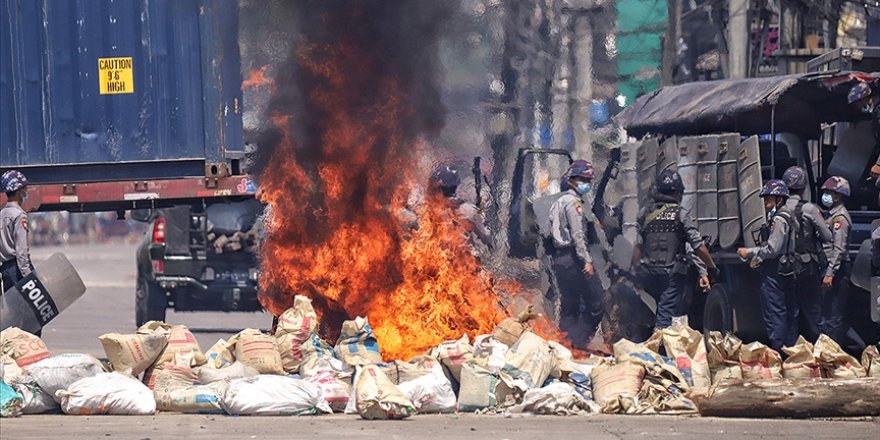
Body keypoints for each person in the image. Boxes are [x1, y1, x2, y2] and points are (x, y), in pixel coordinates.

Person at [634, 170, 717, 330]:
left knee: (660, 310)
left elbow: (638, 247)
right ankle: (661, 351)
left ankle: (659, 344)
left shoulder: (645, 213)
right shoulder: (681, 214)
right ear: (678, 192)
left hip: (649, 272)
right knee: (666, 317)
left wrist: (635, 272)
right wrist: (710, 267)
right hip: (671, 274)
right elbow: (698, 247)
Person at [737, 180, 799, 352]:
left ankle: (778, 352)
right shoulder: (790, 216)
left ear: (779, 199)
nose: (765, 204)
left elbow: (773, 249)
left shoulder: (779, 219)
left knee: (775, 313)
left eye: (768, 199)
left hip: (775, 271)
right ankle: (791, 352)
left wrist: (749, 252)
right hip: (787, 269)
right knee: (789, 313)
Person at [548, 160, 603, 345]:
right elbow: (578, 234)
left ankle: (563, 344)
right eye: (583, 179)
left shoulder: (557, 202)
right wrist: (586, 260)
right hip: (573, 259)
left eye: (588, 179)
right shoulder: (574, 203)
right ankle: (577, 343)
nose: (586, 183)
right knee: (595, 303)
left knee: (568, 306)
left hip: (559, 258)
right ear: (572, 180)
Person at [781, 166, 832, 341]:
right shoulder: (810, 209)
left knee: (790, 312)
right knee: (814, 312)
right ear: (803, 187)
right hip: (806, 267)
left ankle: (792, 354)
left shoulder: (778, 209)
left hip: (785, 267)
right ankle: (821, 353)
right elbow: (827, 236)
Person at [818, 176, 865, 353]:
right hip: (832, 268)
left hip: (837, 270)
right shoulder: (831, 216)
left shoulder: (840, 218)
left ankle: (832, 353)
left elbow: (838, 248)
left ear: (837, 196)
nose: (826, 195)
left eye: (829, 192)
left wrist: (830, 273)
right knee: (826, 313)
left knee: (833, 315)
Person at [428, 163, 492, 252]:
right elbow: (486, 238)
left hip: (464, 259)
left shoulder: (463, 211)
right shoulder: (467, 209)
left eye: (433, 188)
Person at [1, 170, 33, 292]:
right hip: (18, 271)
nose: (26, 191)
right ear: (19, 191)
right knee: (27, 310)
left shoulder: (1, 214)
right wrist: (30, 278)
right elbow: (21, 253)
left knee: (13, 309)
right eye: (25, 188)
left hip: (5, 271)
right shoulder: (19, 216)